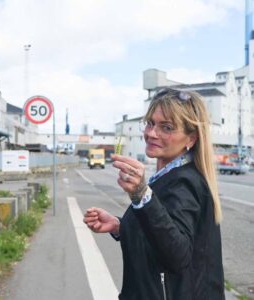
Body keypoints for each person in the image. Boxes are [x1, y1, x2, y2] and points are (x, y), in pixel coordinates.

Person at [83, 88, 225, 300]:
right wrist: (120, 226)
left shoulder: (184, 182)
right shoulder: (169, 174)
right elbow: (162, 232)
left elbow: (177, 255)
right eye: (150, 123)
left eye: (166, 127)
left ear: (191, 138)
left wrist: (141, 194)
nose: (151, 133)